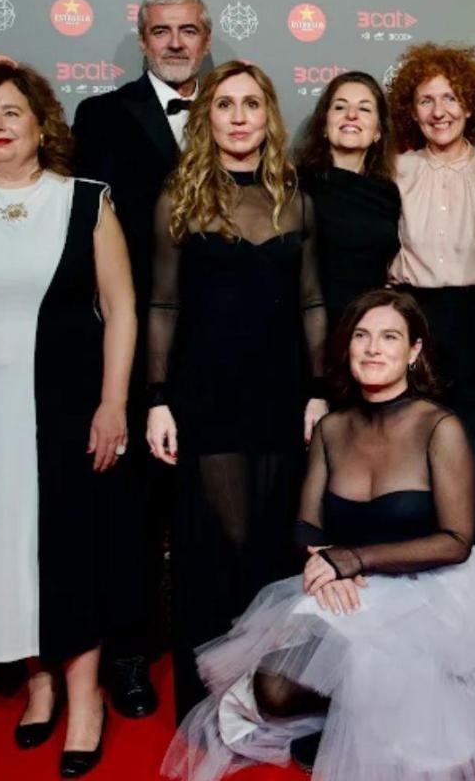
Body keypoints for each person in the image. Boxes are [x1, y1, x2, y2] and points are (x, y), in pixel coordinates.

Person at [160, 290, 475, 781]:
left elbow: (456, 540)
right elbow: (306, 524)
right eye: (361, 337)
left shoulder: (440, 426)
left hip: (433, 590)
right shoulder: (332, 427)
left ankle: (387, 707)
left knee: (410, 727)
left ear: (413, 352)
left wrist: (351, 559)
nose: (372, 348)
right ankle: (344, 708)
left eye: (389, 337)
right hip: (356, 590)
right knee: (272, 691)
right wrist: (329, 563)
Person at [0, 62, 136, 778]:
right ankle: (38, 681)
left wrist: (114, 402)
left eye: (11, 112)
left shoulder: (85, 200)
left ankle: (85, 699)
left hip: (67, 401)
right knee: (5, 547)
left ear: (40, 124)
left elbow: (121, 309)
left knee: (70, 546)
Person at [145, 60, 328, 717]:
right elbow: (161, 306)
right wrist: (158, 398)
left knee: (276, 541)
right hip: (207, 394)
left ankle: (268, 692)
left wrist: (318, 387)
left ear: (268, 116)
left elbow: (312, 300)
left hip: (279, 390)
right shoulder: (180, 198)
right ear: (207, 117)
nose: (240, 116)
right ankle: (213, 696)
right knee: (223, 540)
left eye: (253, 103)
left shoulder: (293, 198)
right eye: (225, 104)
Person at [72, 0, 215, 719]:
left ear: (208, 35)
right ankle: (129, 657)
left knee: (210, 510)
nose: (176, 42)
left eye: (189, 29)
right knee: (130, 513)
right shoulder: (99, 117)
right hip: (133, 342)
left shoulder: (236, 109)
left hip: (221, 343)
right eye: (162, 31)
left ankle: (214, 652)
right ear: (141, 38)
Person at [385, 44, 475, 569]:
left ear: (471, 105)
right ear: (411, 110)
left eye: (450, 98)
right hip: (414, 317)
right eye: (426, 100)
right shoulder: (395, 170)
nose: (439, 111)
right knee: (414, 453)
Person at [294, 71, 401, 333]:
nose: (351, 115)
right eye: (340, 107)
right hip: (304, 329)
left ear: (377, 131)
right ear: (323, 124)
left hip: (366, 331)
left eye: (364, 109)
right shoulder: (296, 185)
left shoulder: (387, 194)